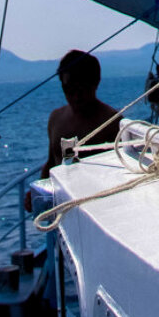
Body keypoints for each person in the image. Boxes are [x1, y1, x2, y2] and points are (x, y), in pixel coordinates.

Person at [25, 50, 121, 211]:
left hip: (99, 212)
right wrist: (37, 196)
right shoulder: (55, 118)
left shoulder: (112, 123)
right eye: (69, 88)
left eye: (82, 88)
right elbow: (51, 163)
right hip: (63, 214)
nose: (76, 96)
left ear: (95, 83)